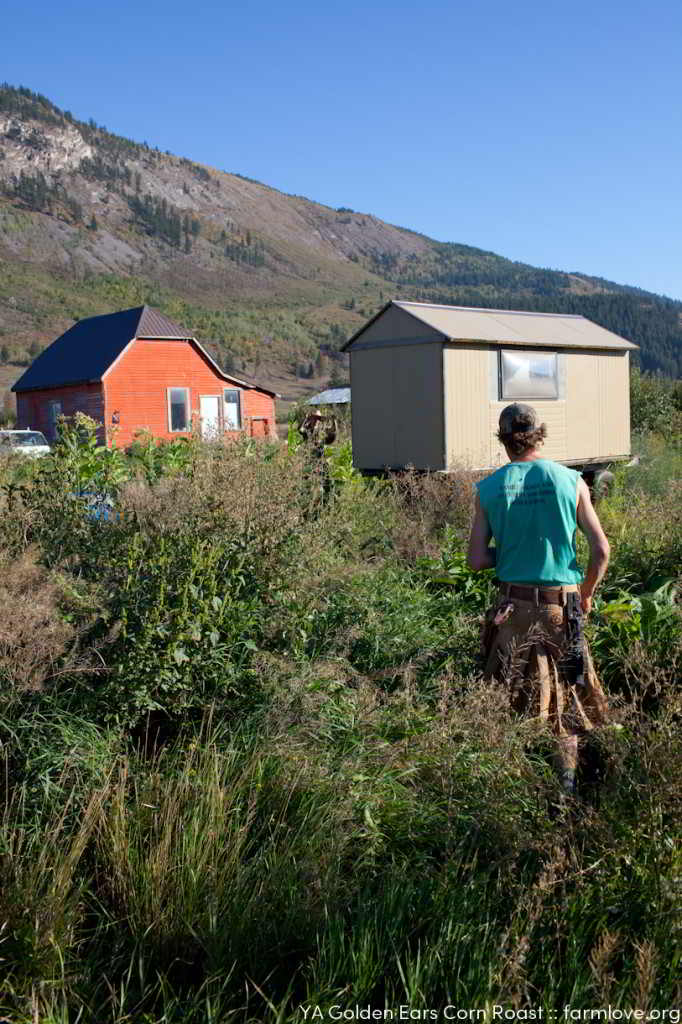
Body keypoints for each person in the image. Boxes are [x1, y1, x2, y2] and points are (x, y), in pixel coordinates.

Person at [467, 402, 611, 794]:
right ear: (538, 434)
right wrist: (585, 596)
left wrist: (511, 552)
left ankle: (509, 784)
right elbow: (601, 551)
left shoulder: (490, 488)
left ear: (503, 440)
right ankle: (567, 787)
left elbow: (477, 559)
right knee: (566, 699)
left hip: (511, 610)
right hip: (559, 607)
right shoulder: (571, 480)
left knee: (507, 697)